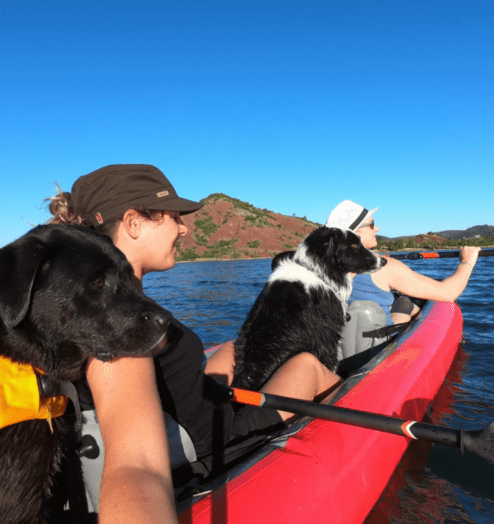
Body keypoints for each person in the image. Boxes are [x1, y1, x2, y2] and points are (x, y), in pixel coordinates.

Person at [47, 164, 341, 516]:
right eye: (173, 217)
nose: (184, 229)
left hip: (194, 414)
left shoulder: (94, 298)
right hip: (216, 442)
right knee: (309, 366)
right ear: (133, 223)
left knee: (233, 349)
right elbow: (134, 463)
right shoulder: (121, 321)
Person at [326, 200, 481, 327]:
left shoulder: (322, 265)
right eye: (372, 224)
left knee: (402, 302)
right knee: (406, 302)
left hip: (343, 347)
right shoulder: (384, 267)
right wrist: (467, 262)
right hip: (380, 347)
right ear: (356, 233)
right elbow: (448, 293)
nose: (377, 229)